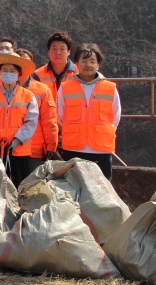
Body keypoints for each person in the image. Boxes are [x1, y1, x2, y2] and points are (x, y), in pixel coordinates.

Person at [56, 43, 120, 180]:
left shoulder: (110, 88)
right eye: (84, 61)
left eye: (92, 61)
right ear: (76, 64)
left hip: (101, 147)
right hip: (74, 147)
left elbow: (116, 115)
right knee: (73, 185)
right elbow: (60, 114)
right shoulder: (65, 88)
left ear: (98, 65)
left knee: (102, 187)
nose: (88, 65)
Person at [0, 52, 39, 186]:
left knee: (18, 185)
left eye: (12, 71)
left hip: (19, 150)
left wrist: (18, 140)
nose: (8, 73)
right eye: (5, 70)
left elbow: (31, 121)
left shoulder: (28, 96)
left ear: (18, 73)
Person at [17, 48, 59, 172]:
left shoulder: (42, 90)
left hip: (34, 149)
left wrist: (51, 146)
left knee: (33, 186)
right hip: (11, 149)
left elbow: (49, 120)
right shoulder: (4, 89)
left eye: (27, 62)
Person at [33, 31, 77, 99]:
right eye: (54, 49)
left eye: (62, 49)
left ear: (69, 52)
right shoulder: (37, 75)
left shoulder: (79, 73)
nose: (58, 53)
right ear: (48, 52)